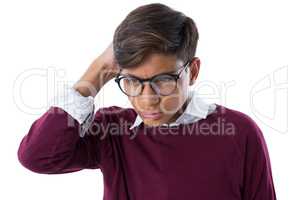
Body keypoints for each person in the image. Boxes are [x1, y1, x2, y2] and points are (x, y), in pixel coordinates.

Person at [17, 3, 277, 200]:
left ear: (193, 72)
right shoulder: (112, 131)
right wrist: (96, 72)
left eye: (163, 80)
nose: (147, 100)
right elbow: (36, 157)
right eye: (132, 81)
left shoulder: (239, 132)